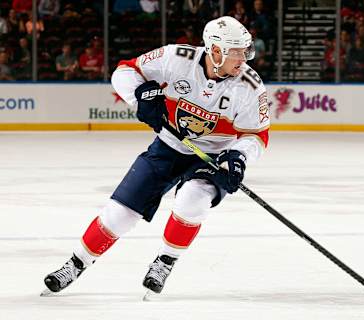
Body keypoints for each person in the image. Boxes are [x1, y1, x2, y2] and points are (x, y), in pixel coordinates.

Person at [42, 16, 270, 296]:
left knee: (192, 200)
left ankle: (165, 261)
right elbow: (125, 72)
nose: (244, 59)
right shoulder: (177, 58)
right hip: (168, 146)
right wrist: (140, 98)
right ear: (215, 50)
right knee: (120, 214)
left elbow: (256, 135)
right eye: (237, 52)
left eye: (246, 51)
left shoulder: (250, 85)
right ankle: (76, 264)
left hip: (212, 157)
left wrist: (237, 158)